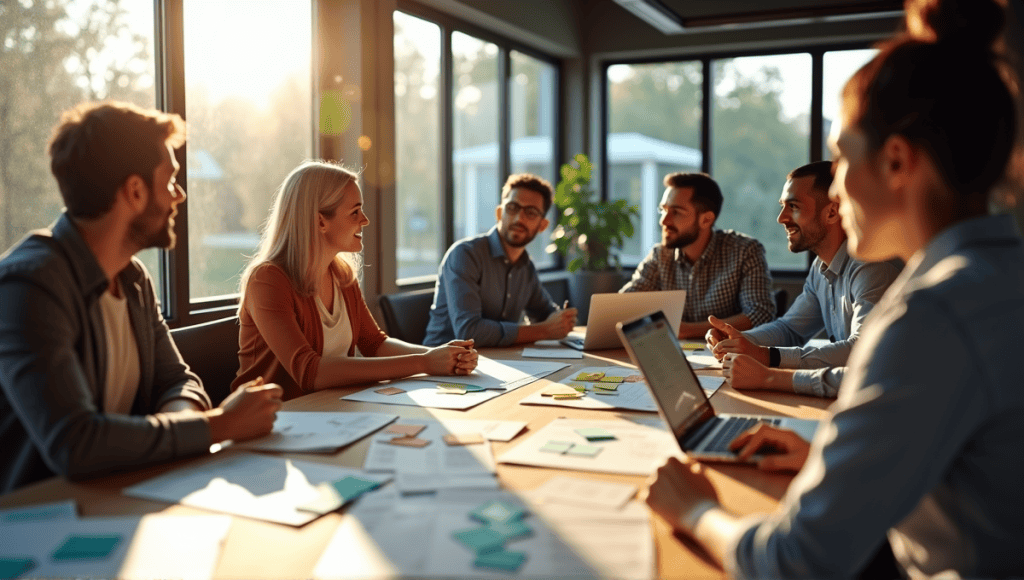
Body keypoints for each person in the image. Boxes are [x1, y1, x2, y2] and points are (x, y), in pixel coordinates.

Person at [644, 0, 1024, 577]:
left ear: (897, 162)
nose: (837, 194)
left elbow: (793, 562)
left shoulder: (932, 315)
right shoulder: (997, 277)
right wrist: (827, 454)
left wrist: (694, 509)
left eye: (843, 158)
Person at [0, 102, 283, 494]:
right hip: (38, 524)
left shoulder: (133, 279)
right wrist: (219, 426)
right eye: (169, 181)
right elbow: (76, 444)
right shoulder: (28, 286)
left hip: (121, 493)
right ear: (134, 191)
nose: (178, 196)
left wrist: (177, 431)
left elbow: (178, 381)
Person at [234, 161, 478, 401]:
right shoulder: (267, 280)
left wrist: (443, 355)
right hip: (275, 422)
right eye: (355, 212)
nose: (365, 220)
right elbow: (309, 372)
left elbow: (375, 343)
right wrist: (424, 362)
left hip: (332, 411)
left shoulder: (341, 275)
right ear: (320, 221)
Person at [706, 161, 901, 398]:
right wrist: (739, 340)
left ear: (831, 212)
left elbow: (861, 349)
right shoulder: (820, 268)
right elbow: (790, 329)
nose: (781, 218)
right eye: (783, 206)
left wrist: (768, 357)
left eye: (793, 206)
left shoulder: (871, 267)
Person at [424, 173, 577, 347]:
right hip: (443, 367)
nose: (519, 218)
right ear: (499, 213)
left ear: (542, 225)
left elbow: (545, 315)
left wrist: (562, 320)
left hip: (498, 362)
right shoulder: (465, 255)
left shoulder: (526, 267)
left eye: (531, 212)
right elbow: (469, 332)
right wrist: (544, 330)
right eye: (512, 208)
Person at [621, 172, 775, 339]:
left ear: (706, 220)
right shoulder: (660, 256)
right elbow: (622, 306)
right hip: (673, 356)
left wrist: (686, 330)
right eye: (663, 210)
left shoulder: (745, 251)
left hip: (729, 358)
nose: (664, 221)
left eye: (676, 212)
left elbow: (760, 315)